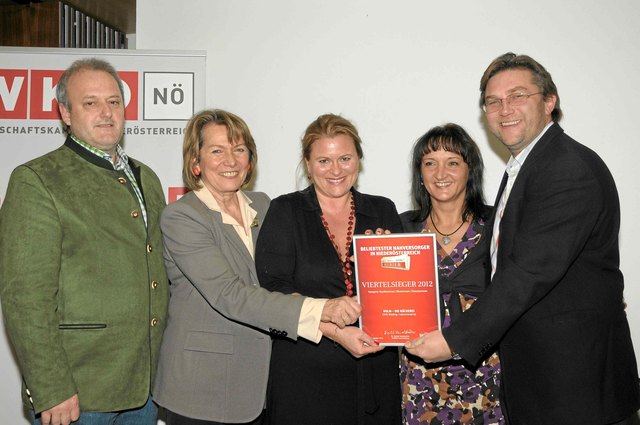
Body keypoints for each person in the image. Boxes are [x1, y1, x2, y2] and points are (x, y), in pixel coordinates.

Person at [405, 52, 640, 424]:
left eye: (518, 96)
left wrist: (455, 340)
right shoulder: (526, 168)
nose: (504, 108)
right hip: (543, 380)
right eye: (493, 101)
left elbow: (529, 273)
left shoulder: (566, 168)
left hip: (574, 387)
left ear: (549, 102)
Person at [151, 109, 366, 425]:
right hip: (200, 393)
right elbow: (231, 295)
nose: (231, 160)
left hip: (261, 389)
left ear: (250, 160)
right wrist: (324, 311)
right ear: (195, 162)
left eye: (239, 149)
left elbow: (279, 286)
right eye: (217, 150)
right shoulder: (182, 217)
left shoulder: (265, 206)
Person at [0, 58, 169, 425]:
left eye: (113, 101)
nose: (106, 112)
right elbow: (25, 297)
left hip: (147, 388)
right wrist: (51, 387)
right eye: (90, 103)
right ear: (65, 112)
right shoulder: (37, 180)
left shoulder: (146, 177)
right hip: (79, 393)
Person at [255, 113, 402, 425]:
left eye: (345, 158)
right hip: (306, 376)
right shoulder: (285, 211)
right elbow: (274, 294)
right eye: (324, 160)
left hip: (375, 375)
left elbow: (399, 295)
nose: (336, 170)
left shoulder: (383, 210)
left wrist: (389, 260)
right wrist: (337, 332)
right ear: (308, 165)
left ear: (358, 160)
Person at [400, 123, 503, 424]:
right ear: (420, 174)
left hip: (485, 373)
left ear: (470, 170)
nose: (440, 173)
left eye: (453, 162)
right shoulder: (401, 228)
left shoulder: (498, 223)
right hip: (419, 378)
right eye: (430, 163)